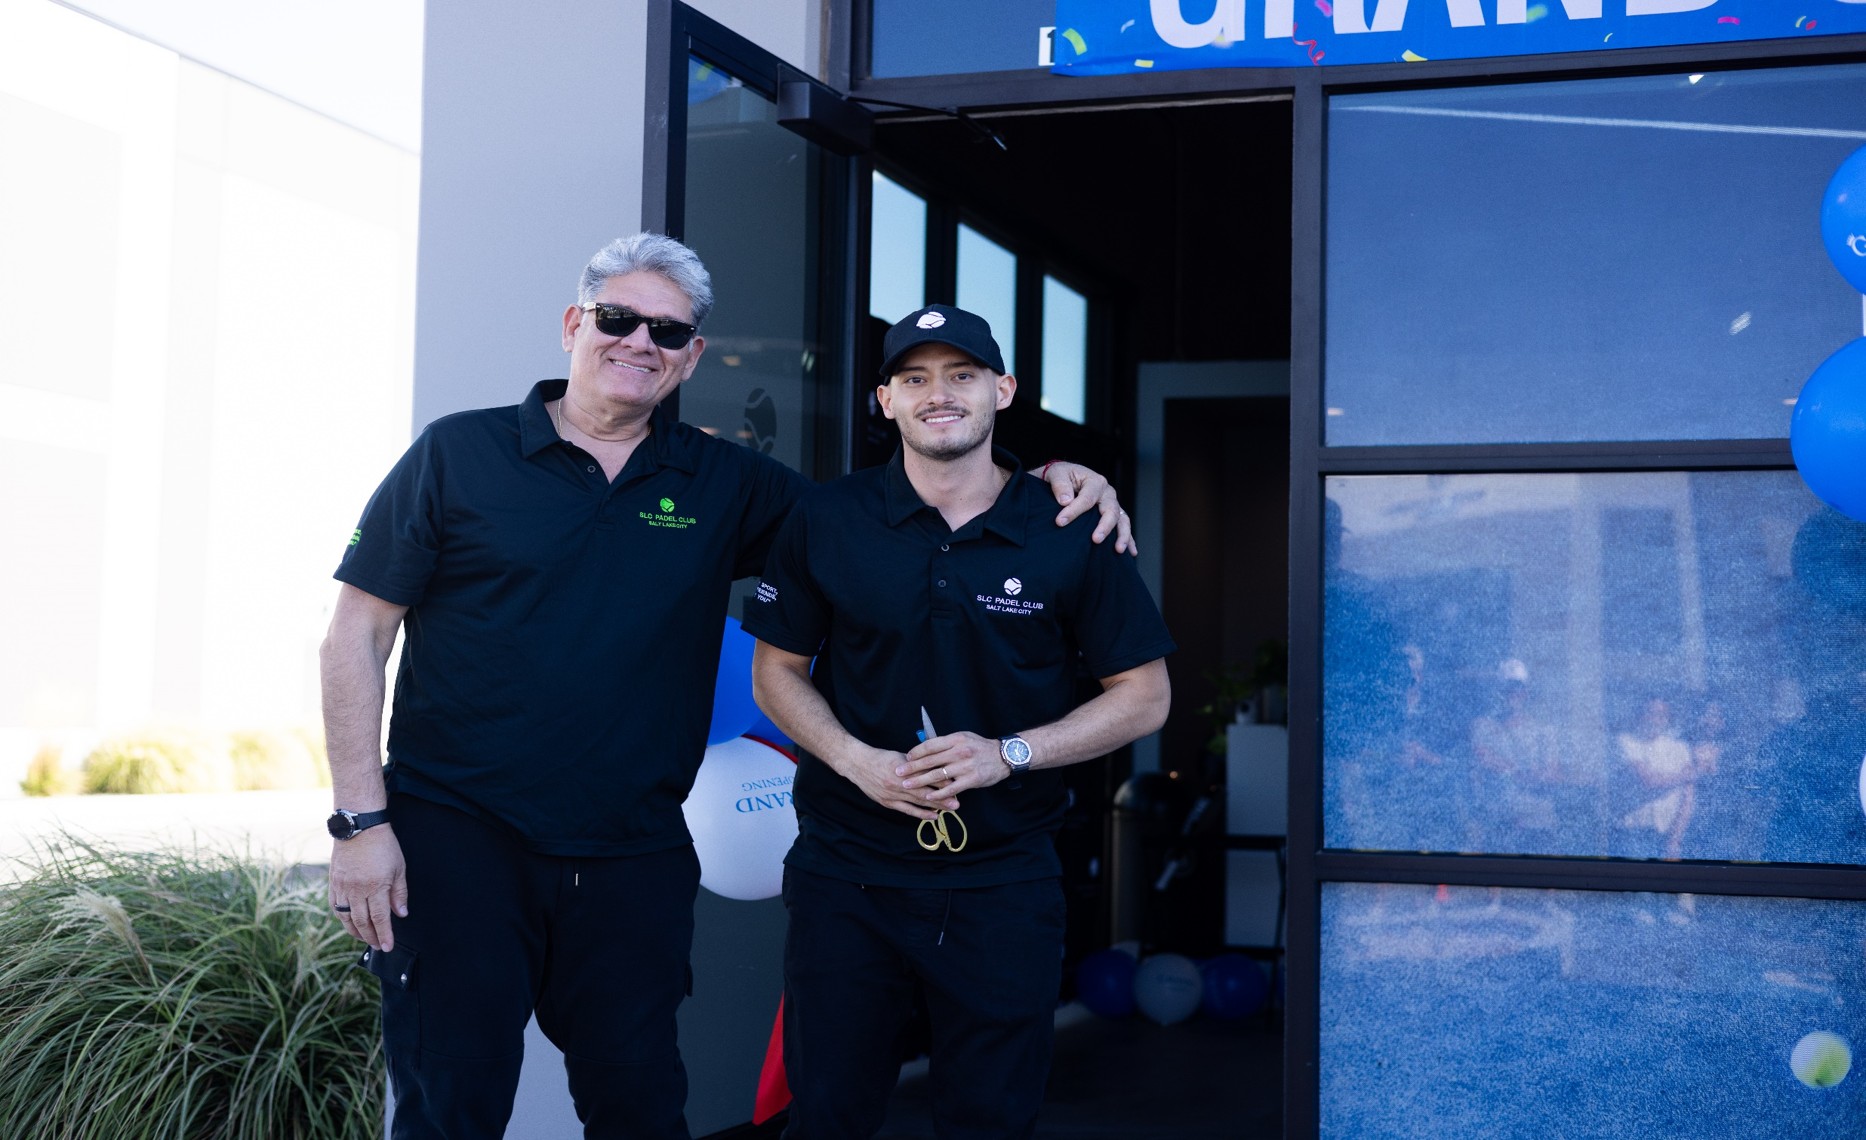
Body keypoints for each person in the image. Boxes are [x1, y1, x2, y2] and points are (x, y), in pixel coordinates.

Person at [318, 236, 1133, 1140]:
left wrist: (1052, 481)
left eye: (667, 332)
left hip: (633, 856)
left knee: (641, 1110)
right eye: (617, 319)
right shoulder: (455, 454)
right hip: (458, 842)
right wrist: (361, 822)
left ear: (692, 356)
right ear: (571, 325)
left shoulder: (728, 482)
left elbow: (894, 517)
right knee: (449, 1109)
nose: (639, 344)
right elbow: (357, 635)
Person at [743, 304, 1175, 1140]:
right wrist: (854, 760)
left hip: (1003, 882)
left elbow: (1144, 695)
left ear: (1002, 389)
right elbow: (776, 671)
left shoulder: (1068, 527)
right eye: (914, 378)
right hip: (848, 875)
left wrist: (1008, 754)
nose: (938, 395)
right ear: (884, 401)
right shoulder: (828, 519)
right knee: (825, 1117)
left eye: (961, 375)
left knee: (990, 1120)